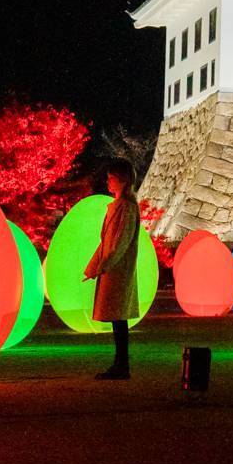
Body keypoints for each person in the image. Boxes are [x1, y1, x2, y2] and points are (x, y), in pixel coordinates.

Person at [82, 161, 142, 380]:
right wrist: (95, 266)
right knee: (117, 319)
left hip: (118, 270)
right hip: (112, 268)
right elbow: (106, 241)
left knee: (119, 318)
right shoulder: (117, 207)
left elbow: (119, 242)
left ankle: (121, 364)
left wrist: (104, 264)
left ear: (122, 180)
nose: (108, 181)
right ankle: (120, 363)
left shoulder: (125, 208)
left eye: (111, 177)